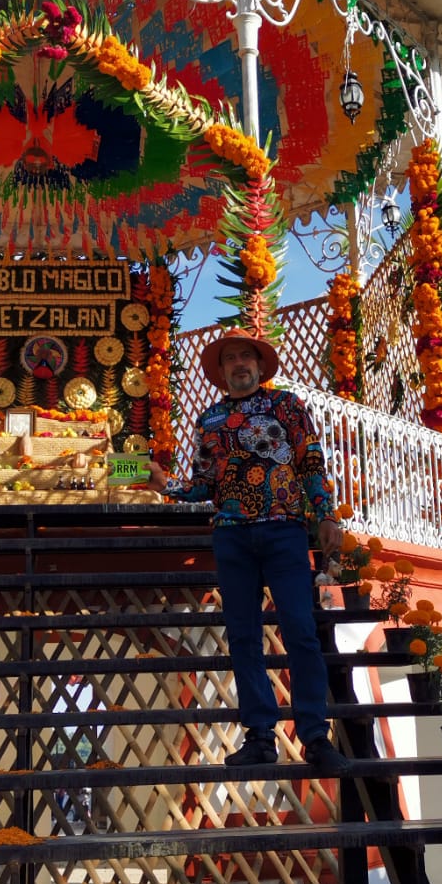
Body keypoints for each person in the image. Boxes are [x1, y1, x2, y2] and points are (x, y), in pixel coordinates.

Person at [147, 330, 352, 777]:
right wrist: (167, 485)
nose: (239, 364)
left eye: (246, 357)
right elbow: (205, 483)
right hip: (232, 535)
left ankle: (315, 735)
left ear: (259, 367)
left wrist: (327, 515)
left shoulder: (287, 407)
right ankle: (260, 736)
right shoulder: (210, 420)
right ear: (220, 373)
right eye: (230, 359)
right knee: (243, 637)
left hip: (284, 531)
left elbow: (309, 461)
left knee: (300, 631)